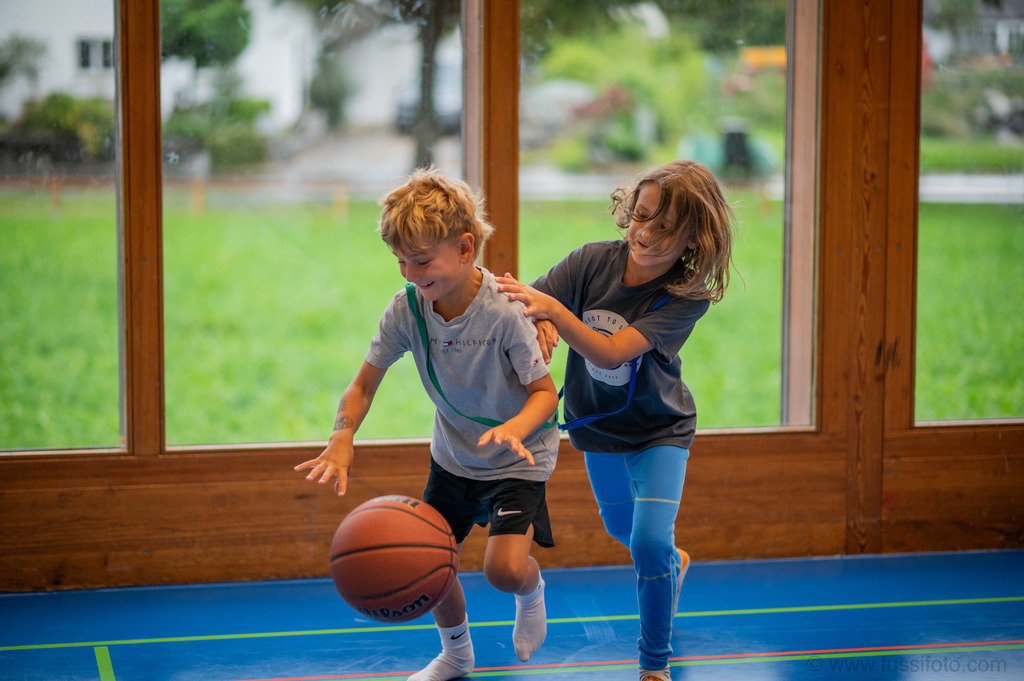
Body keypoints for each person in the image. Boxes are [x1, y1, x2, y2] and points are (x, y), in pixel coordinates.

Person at [295, 168, 560, 681]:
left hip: (518, 457)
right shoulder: (406, 311)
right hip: (455, 457)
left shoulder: (505, 312)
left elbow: (545, 394)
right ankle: (457, 653)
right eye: (400, 261)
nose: (410, 273)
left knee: (503, 571)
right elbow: (363, 384)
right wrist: (342, 434)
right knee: (432, 561)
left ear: (465, 248)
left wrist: (514, 429)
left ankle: (532, 591)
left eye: (420, 260)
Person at [497, 160, 734, 681]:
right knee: (623, 531)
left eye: (665, 227)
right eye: (640, 216)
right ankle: (672, 564)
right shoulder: (590, 262)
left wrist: (555, 314)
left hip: (659, 431)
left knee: (648, 543)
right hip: (595, 428)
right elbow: (524, 303)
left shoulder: (684, 297)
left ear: (694, 238)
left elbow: (609, 353)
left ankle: (654, 665)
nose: (643, 233)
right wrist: (535, 320)